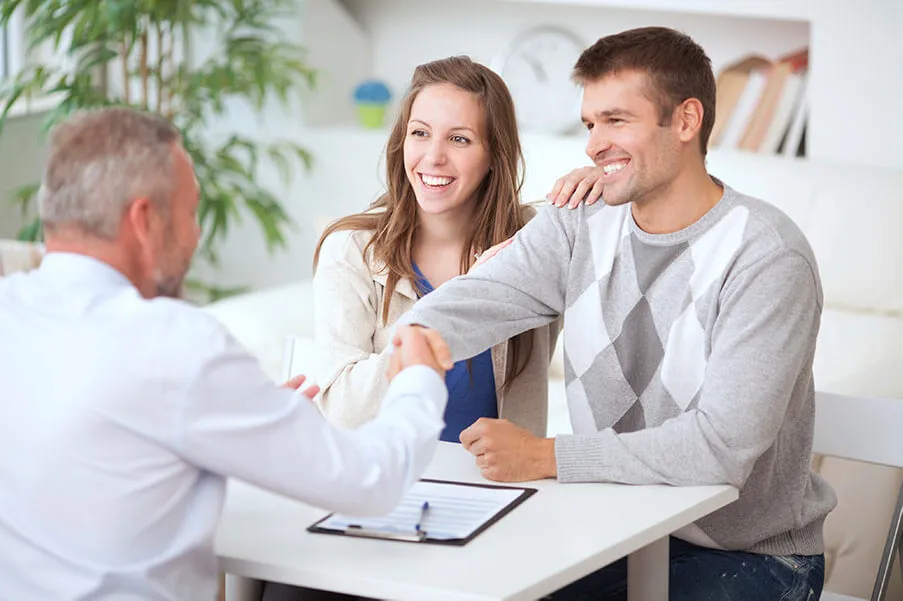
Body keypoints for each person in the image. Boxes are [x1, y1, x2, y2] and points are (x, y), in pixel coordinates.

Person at [395, 27, 837, 600]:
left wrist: (545, 456)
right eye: (589, 124)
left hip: (750, 557)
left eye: (616, 121)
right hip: (616, 529)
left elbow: (720, 449)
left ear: (685, 121)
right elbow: (484, 296)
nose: (594, 144)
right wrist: (418, 334)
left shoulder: (765, 256)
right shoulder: (579, 221)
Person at [0, 106, 455, 601]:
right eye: (190, 213)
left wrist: (244, 419)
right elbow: (373, 482)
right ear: (144, 220)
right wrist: (418, 378)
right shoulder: (173, 345)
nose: (196, 236)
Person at [308, 56, 604, 440]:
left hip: (504, 488)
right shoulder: (352, 250)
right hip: (388, 484)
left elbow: (643, 221)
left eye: (459, 138)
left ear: (494, 156)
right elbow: (343, 408)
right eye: (420, 133)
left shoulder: (534, 240)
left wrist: (608, 181)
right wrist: (463, 303)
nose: (433, 157)